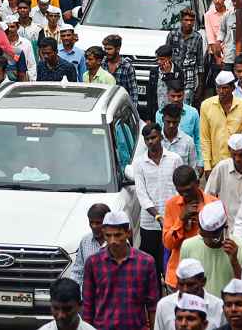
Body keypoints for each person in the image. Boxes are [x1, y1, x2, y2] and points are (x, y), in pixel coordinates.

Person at [81, 211, 160, 330]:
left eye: (118, 235)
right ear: (103, 234)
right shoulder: (93, 263)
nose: (113, 241)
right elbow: (88, 305)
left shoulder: (146, 262)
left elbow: (153, 305)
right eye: (108, 235)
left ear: (128, 233)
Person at [133, 123, 183, 279]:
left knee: (172, 264)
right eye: (147, 139)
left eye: (153, 137)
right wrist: (158, 217)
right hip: (150, 224)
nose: (150, 142)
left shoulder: (175, 159)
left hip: (173, 222)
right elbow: (142, 194)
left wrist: (172, 215)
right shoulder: (139, 164)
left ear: (160, 137)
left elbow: (180, 188)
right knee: (152, 268)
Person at [162, 165, 216, 289]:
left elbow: (220, 238)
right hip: (179, 278)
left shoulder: (214, 204)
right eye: (181, 192)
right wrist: (181, 220)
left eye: (189, 190)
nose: (185, 195)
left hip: (207, 274)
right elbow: (168, 244)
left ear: (197, 183)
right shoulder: (171, 205)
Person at [200, 71, 242, 177]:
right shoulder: (206, 105)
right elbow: (205, 138)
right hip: (216, 164)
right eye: (218, 88)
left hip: (239, 163)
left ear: (233, 88)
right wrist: (207, 166)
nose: (221, 91)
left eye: (225, 88)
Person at [205, 134, 242, 224]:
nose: (237, 159)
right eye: (234, 155)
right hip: (228, 225)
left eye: (241, 155)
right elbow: (208, 195)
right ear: (229, 150)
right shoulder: (221, 168)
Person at [155, 259, 224, 330]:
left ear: (203, 282)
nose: (185, 290)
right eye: (181, 284)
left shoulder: (219, 307)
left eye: (190, 285)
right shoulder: (164, 305)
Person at [68, 203, 109, 287]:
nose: (94, 226)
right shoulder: (85, 241)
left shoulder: (118, 243)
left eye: (98, 223)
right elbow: (78, 271)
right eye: (91, 222)